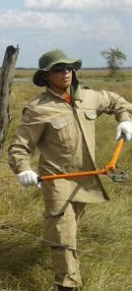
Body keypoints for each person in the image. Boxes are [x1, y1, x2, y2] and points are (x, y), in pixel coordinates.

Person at [8, 49, 132, 291]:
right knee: (63, 236)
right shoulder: (38, 109)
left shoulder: (88, 97)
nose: (65, 72)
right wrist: (23, 169)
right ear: (46, 76)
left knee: (69, 234)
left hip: (85, 180)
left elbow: (118, 102)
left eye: (68, 67)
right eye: (58, 68)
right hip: (57, 181)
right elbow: (19, 147)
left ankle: (66, 271)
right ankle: (66, 285)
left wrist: (125, 119)